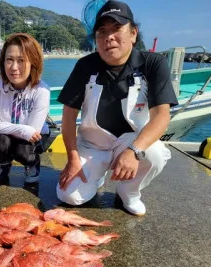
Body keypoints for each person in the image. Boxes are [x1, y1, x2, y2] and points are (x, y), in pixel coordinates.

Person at [56, 0, 178, 216]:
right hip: (93, 145)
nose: (108, 37)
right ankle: (98, 173)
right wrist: (73, 158)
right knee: (68, 196)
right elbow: (68, 115)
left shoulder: (153, 63)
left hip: (130, 142)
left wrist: (134, 151)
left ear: (133, 33)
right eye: (102, 31)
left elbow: (161, 116)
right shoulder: (85, 66)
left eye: (116, 28)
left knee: (156, 154)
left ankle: (128, 192)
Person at [0, 33, 50, 185]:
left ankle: (32, 163)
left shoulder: (42, 90)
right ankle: (2, 166)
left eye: (21, 60)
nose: (14, 67)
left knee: (22, 150)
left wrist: (23, 131)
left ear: (33, 62)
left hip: (33, 137)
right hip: (8, 133)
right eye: (9, 60)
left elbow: (33, 131)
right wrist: (22, 130)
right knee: (2, 140)